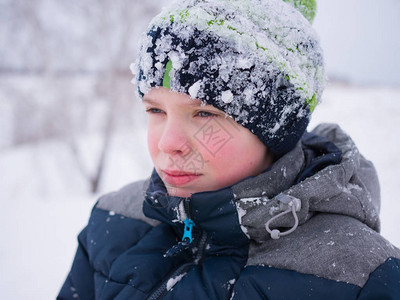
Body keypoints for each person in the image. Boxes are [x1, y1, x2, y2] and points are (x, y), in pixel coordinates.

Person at [58, 0, 400, 299]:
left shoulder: (362, 275)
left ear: (275, 129)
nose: (168, 144)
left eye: (205, 113)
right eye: (155, 110)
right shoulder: (112, 220)